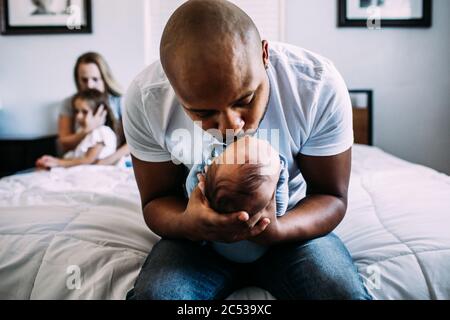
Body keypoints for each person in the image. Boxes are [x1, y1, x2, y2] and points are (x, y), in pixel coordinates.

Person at [124, 0, 372, 300]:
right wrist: (189, 224)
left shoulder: (316, 86)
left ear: (264, 54)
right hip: (196, 241)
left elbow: (331, 196)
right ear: (172, 88)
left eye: (245, 99)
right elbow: (155, 201)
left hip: (292, 227)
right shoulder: (146, 99)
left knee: (340, 294)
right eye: (203, 113)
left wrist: (278, 230)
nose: (232, 125)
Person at [185, 135, 289, 263]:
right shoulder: (267, 216)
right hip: (258, 252)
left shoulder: (208, 204)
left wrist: (201, 168)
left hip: (218, 250)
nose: (246, 138)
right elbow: (280, 210)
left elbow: (191, 185)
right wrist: (281, 172)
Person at [58, 52, 129, 166]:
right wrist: (87, 130)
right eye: (84, 80)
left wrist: (104, 162)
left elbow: (134, 142)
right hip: (78, 161)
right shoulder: (69, 103)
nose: (90, 85)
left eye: (95, 79)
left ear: (105, 79)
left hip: (110, 161)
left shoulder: (120, 102)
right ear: (77, 80)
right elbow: (63, 144)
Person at [37, 90, 117, 169]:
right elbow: (77, 157)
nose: (78, 116)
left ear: (99, 112)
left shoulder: (101, 132)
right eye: (76, 111)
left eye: (84, 112)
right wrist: (52, 160)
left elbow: (88, 160)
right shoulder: (82, 131)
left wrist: (58, 163)